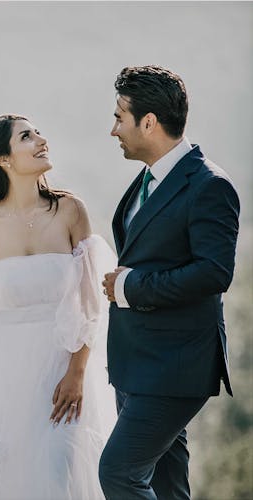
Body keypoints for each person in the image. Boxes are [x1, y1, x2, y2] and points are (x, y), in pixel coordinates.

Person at [0, 114, 117, 499]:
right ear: (2, 159)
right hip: (4, 373)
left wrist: (77, 372)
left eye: (38, 133)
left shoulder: (70, 211)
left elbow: (91, 301)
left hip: (63, 366)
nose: (41, 140)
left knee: (60, 466)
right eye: (27, 137)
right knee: (15, 478)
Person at [99, 65, 240, 500]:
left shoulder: (209, 186)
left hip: (175, 366)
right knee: (166, 485)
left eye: (120, 117)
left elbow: (214, 273)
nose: (113, 130)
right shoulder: (146, 179)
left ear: (148, 122)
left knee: (119, 474)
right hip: (135, 364)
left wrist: (131, 287)